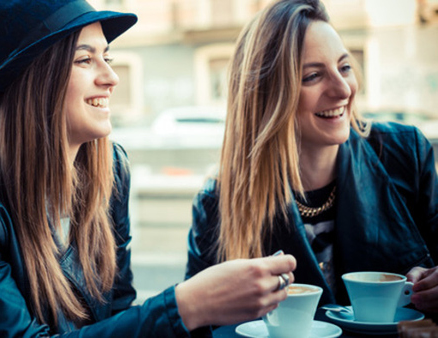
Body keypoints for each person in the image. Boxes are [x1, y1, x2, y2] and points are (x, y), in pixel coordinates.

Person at [0, 0, 296, 336]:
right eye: (84, 59)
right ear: (33, 80)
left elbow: (116, 315)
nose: (110, 78)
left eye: (106, 57)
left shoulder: (109, 171)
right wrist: (187, 305)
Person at [186, 0, 438, 316]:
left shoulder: (406, 153)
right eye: (313, 76)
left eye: (345, 67)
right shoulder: (218, 203)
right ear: (267, 96)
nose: (343, 89)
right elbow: (198, 326)